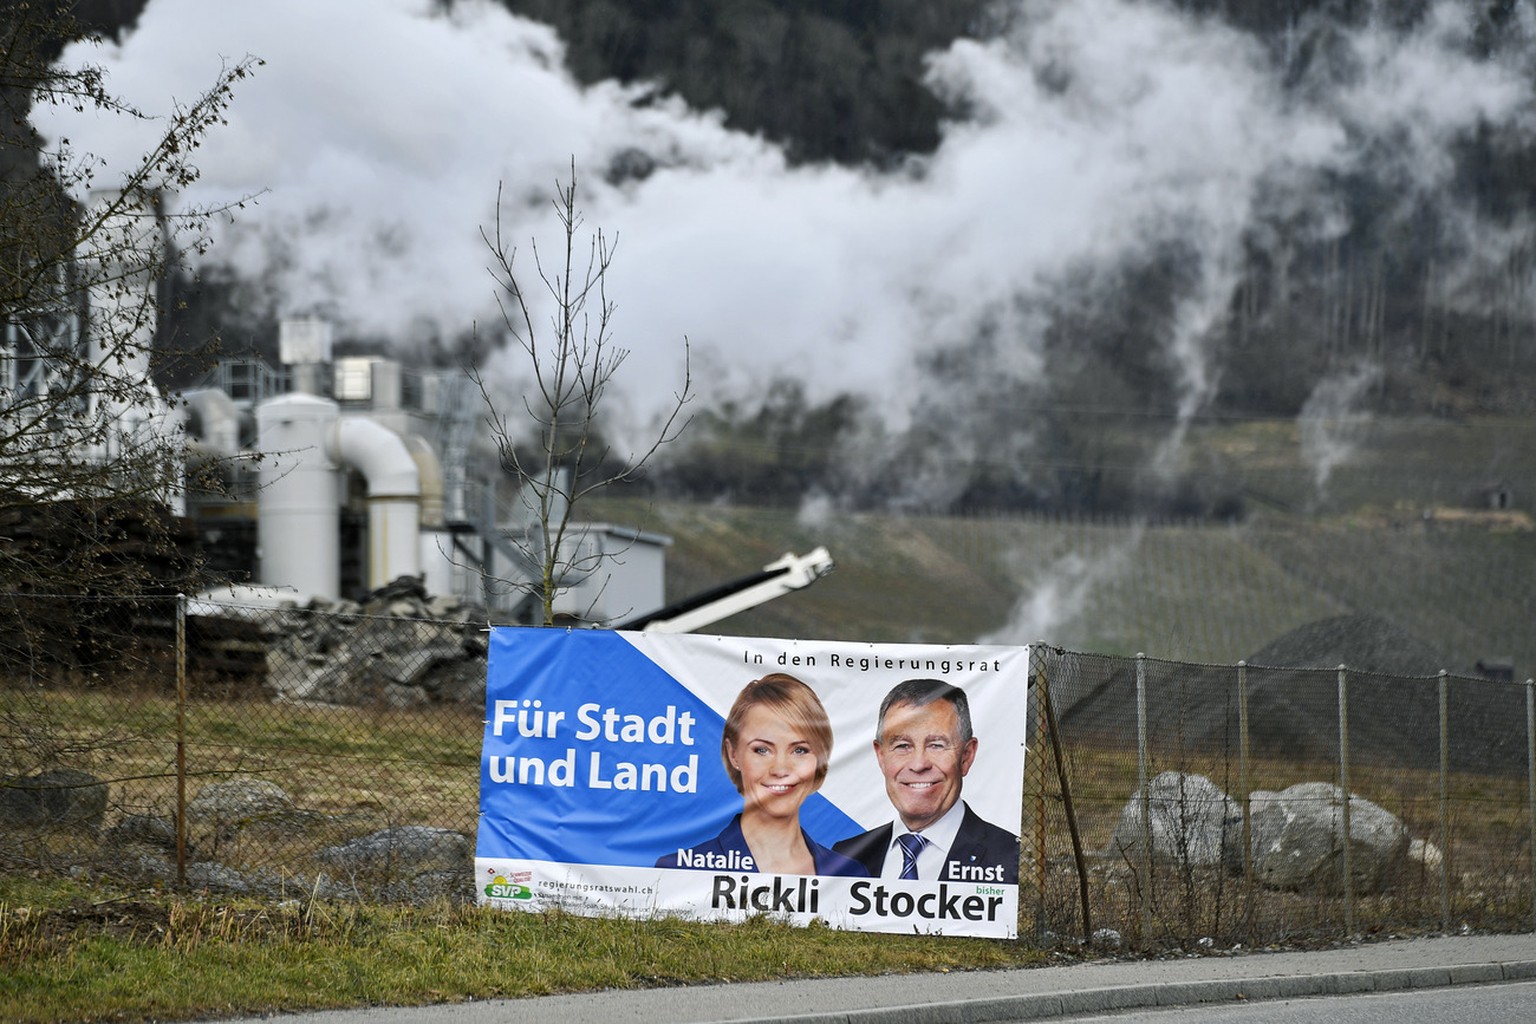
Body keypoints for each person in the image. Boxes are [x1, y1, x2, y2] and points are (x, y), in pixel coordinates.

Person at [657, 673, 867, 877]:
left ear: (820, 758)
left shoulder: (850, 874)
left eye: (799, 750)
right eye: (762, 750)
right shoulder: (678, 870)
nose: (780, 770)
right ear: (734, 754)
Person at [833, 678, 1018, 884]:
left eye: (936, 745)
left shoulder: (1012, 858)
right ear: (881, 756)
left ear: (966, 756)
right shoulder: (844, 858)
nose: (919, 764)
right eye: (903, 746)